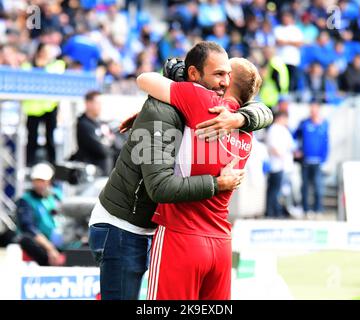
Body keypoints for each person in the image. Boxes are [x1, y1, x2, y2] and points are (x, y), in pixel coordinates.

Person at [88, 41, 273, 300]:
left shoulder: (205, 107)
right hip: (124, 225)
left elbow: (146, 79)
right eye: (218, 74)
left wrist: (241, 116)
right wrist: (216, 182)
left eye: (227, 76)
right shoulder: (240, 129)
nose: (223, 81)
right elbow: (161, 187)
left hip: (171, 231)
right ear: (194, 74)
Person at [136, 56, 263, 300]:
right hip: (221, 242)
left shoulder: (202, 101)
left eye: (223, 72)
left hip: (182, 234)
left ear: (228, 81)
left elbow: (145, 79)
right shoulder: (247, 130)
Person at [22, 43, 66, 167]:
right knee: (32, 139)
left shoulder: (57, 65)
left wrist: (44, 66)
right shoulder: (28, 65)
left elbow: (56, 76)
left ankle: (53, 164)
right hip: (33, 109)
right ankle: (28, 164)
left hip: (50, 107)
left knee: (50, 139)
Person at [16, 163, 66, 266]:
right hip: (42, 244)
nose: (39, 184)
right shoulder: (25, 200)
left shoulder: (56, 196)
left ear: (49, 181)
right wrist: (50, 248)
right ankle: (51, 263)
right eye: (37, 181)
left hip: (61, 239)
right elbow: (28, 227)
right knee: (26, 239)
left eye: (43, 181)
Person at [294, 102, 329, 217]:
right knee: (305, 186)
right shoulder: (304, 123)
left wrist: (324, 157)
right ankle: (305, 210)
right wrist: (297, 150)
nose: (313, 112)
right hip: (306, 161)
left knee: (318, 187)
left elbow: (326, 142)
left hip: (318, 162)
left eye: (315, 109)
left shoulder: (324, 124)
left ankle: (318, 209)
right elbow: (294, 137)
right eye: (312, 109)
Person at [70, 90, 115, 176]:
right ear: (88, 104)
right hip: (90, 177)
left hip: (105, 174)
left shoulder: (101, 123)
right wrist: (109, 140)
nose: (100, 106)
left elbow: (118, 146)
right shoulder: (83, 124)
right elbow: (102, 150)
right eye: (97, 103)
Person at [265, 111, 295, 218]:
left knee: (278, 190)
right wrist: (281, 156)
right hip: (276, 164)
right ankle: (272, 212)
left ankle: (276, 210)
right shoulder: (274, 129)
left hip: (282, 165)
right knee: (275, 190)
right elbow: (273, 147)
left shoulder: (283, 129)